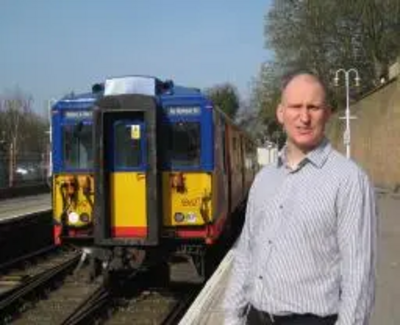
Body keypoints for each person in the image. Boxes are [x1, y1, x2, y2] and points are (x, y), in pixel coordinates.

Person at [223, 71, 377, 325]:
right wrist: (232, 315)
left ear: (327, 113)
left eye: (313, 107)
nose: (304, 117)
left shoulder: (349, 180)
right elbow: (247, 251)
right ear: (281, 113)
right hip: (255, 317)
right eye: (296, 106)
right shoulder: (264, 179)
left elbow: (359, 275)